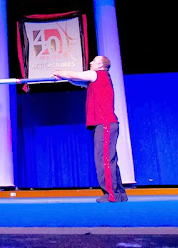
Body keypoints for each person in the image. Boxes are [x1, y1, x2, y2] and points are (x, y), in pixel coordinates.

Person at [53, 56, 128, 203]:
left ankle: (111, 194)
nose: (90, 62)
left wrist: (57, 72)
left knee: (104, 160)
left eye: (94, 61)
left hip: (105, 123)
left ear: (100, 65)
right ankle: (119, 194)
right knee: (109, 159)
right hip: (106, 124)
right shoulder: (98, 79)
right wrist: (63, 77)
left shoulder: (97, 74)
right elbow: (76, 80)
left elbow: (73, 74)